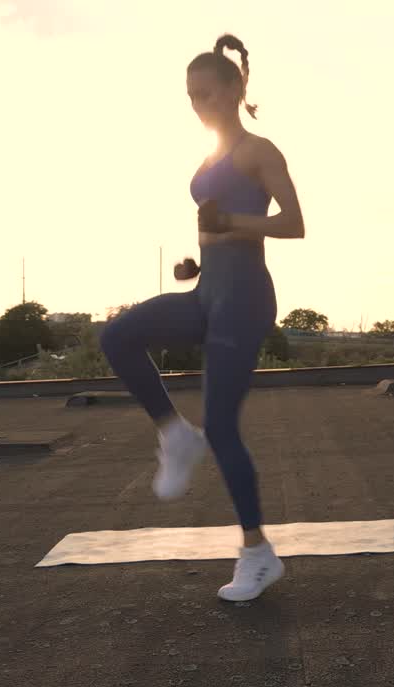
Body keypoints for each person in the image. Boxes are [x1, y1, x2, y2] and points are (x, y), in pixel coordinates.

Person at [98, 34, 304, 602]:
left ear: (236, 88)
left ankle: (257, 554)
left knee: (223, 425)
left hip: (244, 298)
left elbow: (294, 223)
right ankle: (173, 434)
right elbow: (215, 227)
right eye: (191, 97)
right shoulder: (210, 156)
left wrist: (233, 224)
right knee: (117, 336)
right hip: (209, 289)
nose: (200, 105)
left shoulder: (260, 150)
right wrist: (199, 257)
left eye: (208, 94)